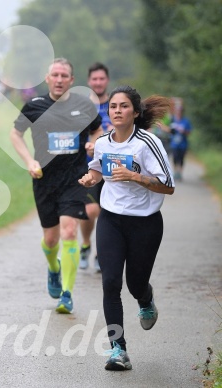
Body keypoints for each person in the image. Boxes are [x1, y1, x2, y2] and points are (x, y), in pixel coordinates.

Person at [78, 85, 175, 371]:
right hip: (111, 220)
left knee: (135, 283)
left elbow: (168, 186)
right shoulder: (104, 142)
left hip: (145, 223)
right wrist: (92, 178)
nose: (117, 111)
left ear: (134, 111)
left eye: (123, 106)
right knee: (110, 283)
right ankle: (118, 350)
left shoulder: (148, 143)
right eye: (113, 107)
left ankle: (146, 299)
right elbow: (99, 169)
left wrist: (136, 176)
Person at [10, 58, 103, 314]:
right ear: (48, 78)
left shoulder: (84, 105)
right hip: (44, 180)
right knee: (50, 240)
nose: (59, 79)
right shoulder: (34, 106)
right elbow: (15, 133)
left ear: (72, 80)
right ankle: (53, 268)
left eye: (64, 75)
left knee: (70, 231)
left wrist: (93, 144)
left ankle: (67, 293)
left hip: (75, 178)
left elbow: (97, 130)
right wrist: (29, 160)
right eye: (55, 75)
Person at [79, 62, 113, 272]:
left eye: (102, 79)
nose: (98, 82)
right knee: (91, 211)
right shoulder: (82, 106)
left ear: (107, 80)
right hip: (89, 166)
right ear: (89, 82)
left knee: (108, 213)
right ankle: (85, 245)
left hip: (115, 168)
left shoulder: (118, 104)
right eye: (95, 79)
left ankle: (102, 253)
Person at [169, 99, 192, 181]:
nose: (178, 112)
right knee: (175, 157)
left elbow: (189, 132)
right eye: (177, 111)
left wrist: (183, 131)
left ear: (182, 112)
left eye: (180, 111)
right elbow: (169, 130)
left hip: (183, 144)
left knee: (181, 158)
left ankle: (180, 173)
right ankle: (175, 172)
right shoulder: (172, 119)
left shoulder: (186, 121)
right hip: (174, 143)